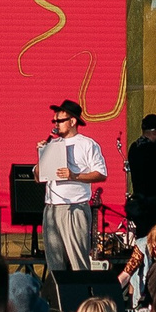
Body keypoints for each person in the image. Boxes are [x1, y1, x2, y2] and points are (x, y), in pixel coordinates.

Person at [36, 100, 107, 275]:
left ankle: (82, 300)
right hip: (52, 208)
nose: (56, 125)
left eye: (59, 121)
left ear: (73, 121)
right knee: (55, 262)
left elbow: (101, 174)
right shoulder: (52, 144)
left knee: (77, 262)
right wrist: (41, 155)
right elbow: (38, 178)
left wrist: (73, 175)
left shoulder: (87, 144)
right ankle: (58, 300)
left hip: (74, 207)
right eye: (54, 121)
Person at [124, 114, 156, 233]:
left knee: (143, 238)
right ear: (154, 132)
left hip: (140, 203)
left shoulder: (134, 147)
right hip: (154, 204)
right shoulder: (152, 149)